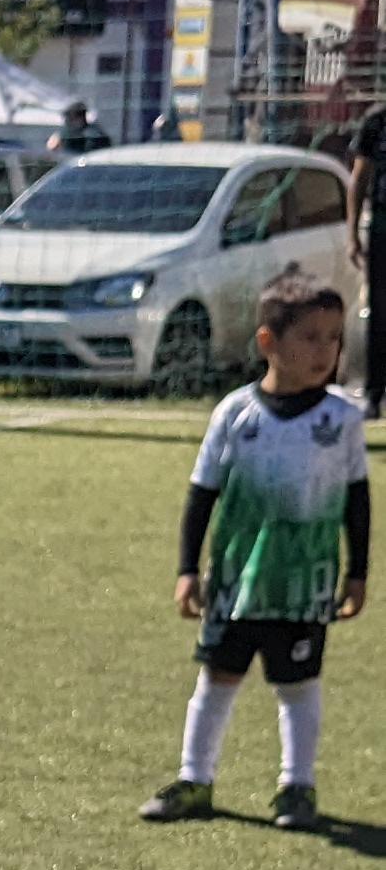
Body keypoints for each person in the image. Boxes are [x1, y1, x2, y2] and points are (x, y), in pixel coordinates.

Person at [140, 273, 367, 832]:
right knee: (217, 677)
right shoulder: (234, 413)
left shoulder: (341, 420)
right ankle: (194, 778)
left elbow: (357, 499)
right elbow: (202, 494)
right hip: (234, 581)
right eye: (310, 337)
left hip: (302, 583)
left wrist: (357, 572)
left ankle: (296, 786)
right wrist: (187, 570)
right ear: (268, 342)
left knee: (297, 685)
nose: (325, 350)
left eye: (334, 337)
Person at [346, 100, 386, 417]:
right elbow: (359, 179)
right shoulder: (376, 121)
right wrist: (352, 235)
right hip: (383, 228)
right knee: (380, 313)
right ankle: (374, 394)